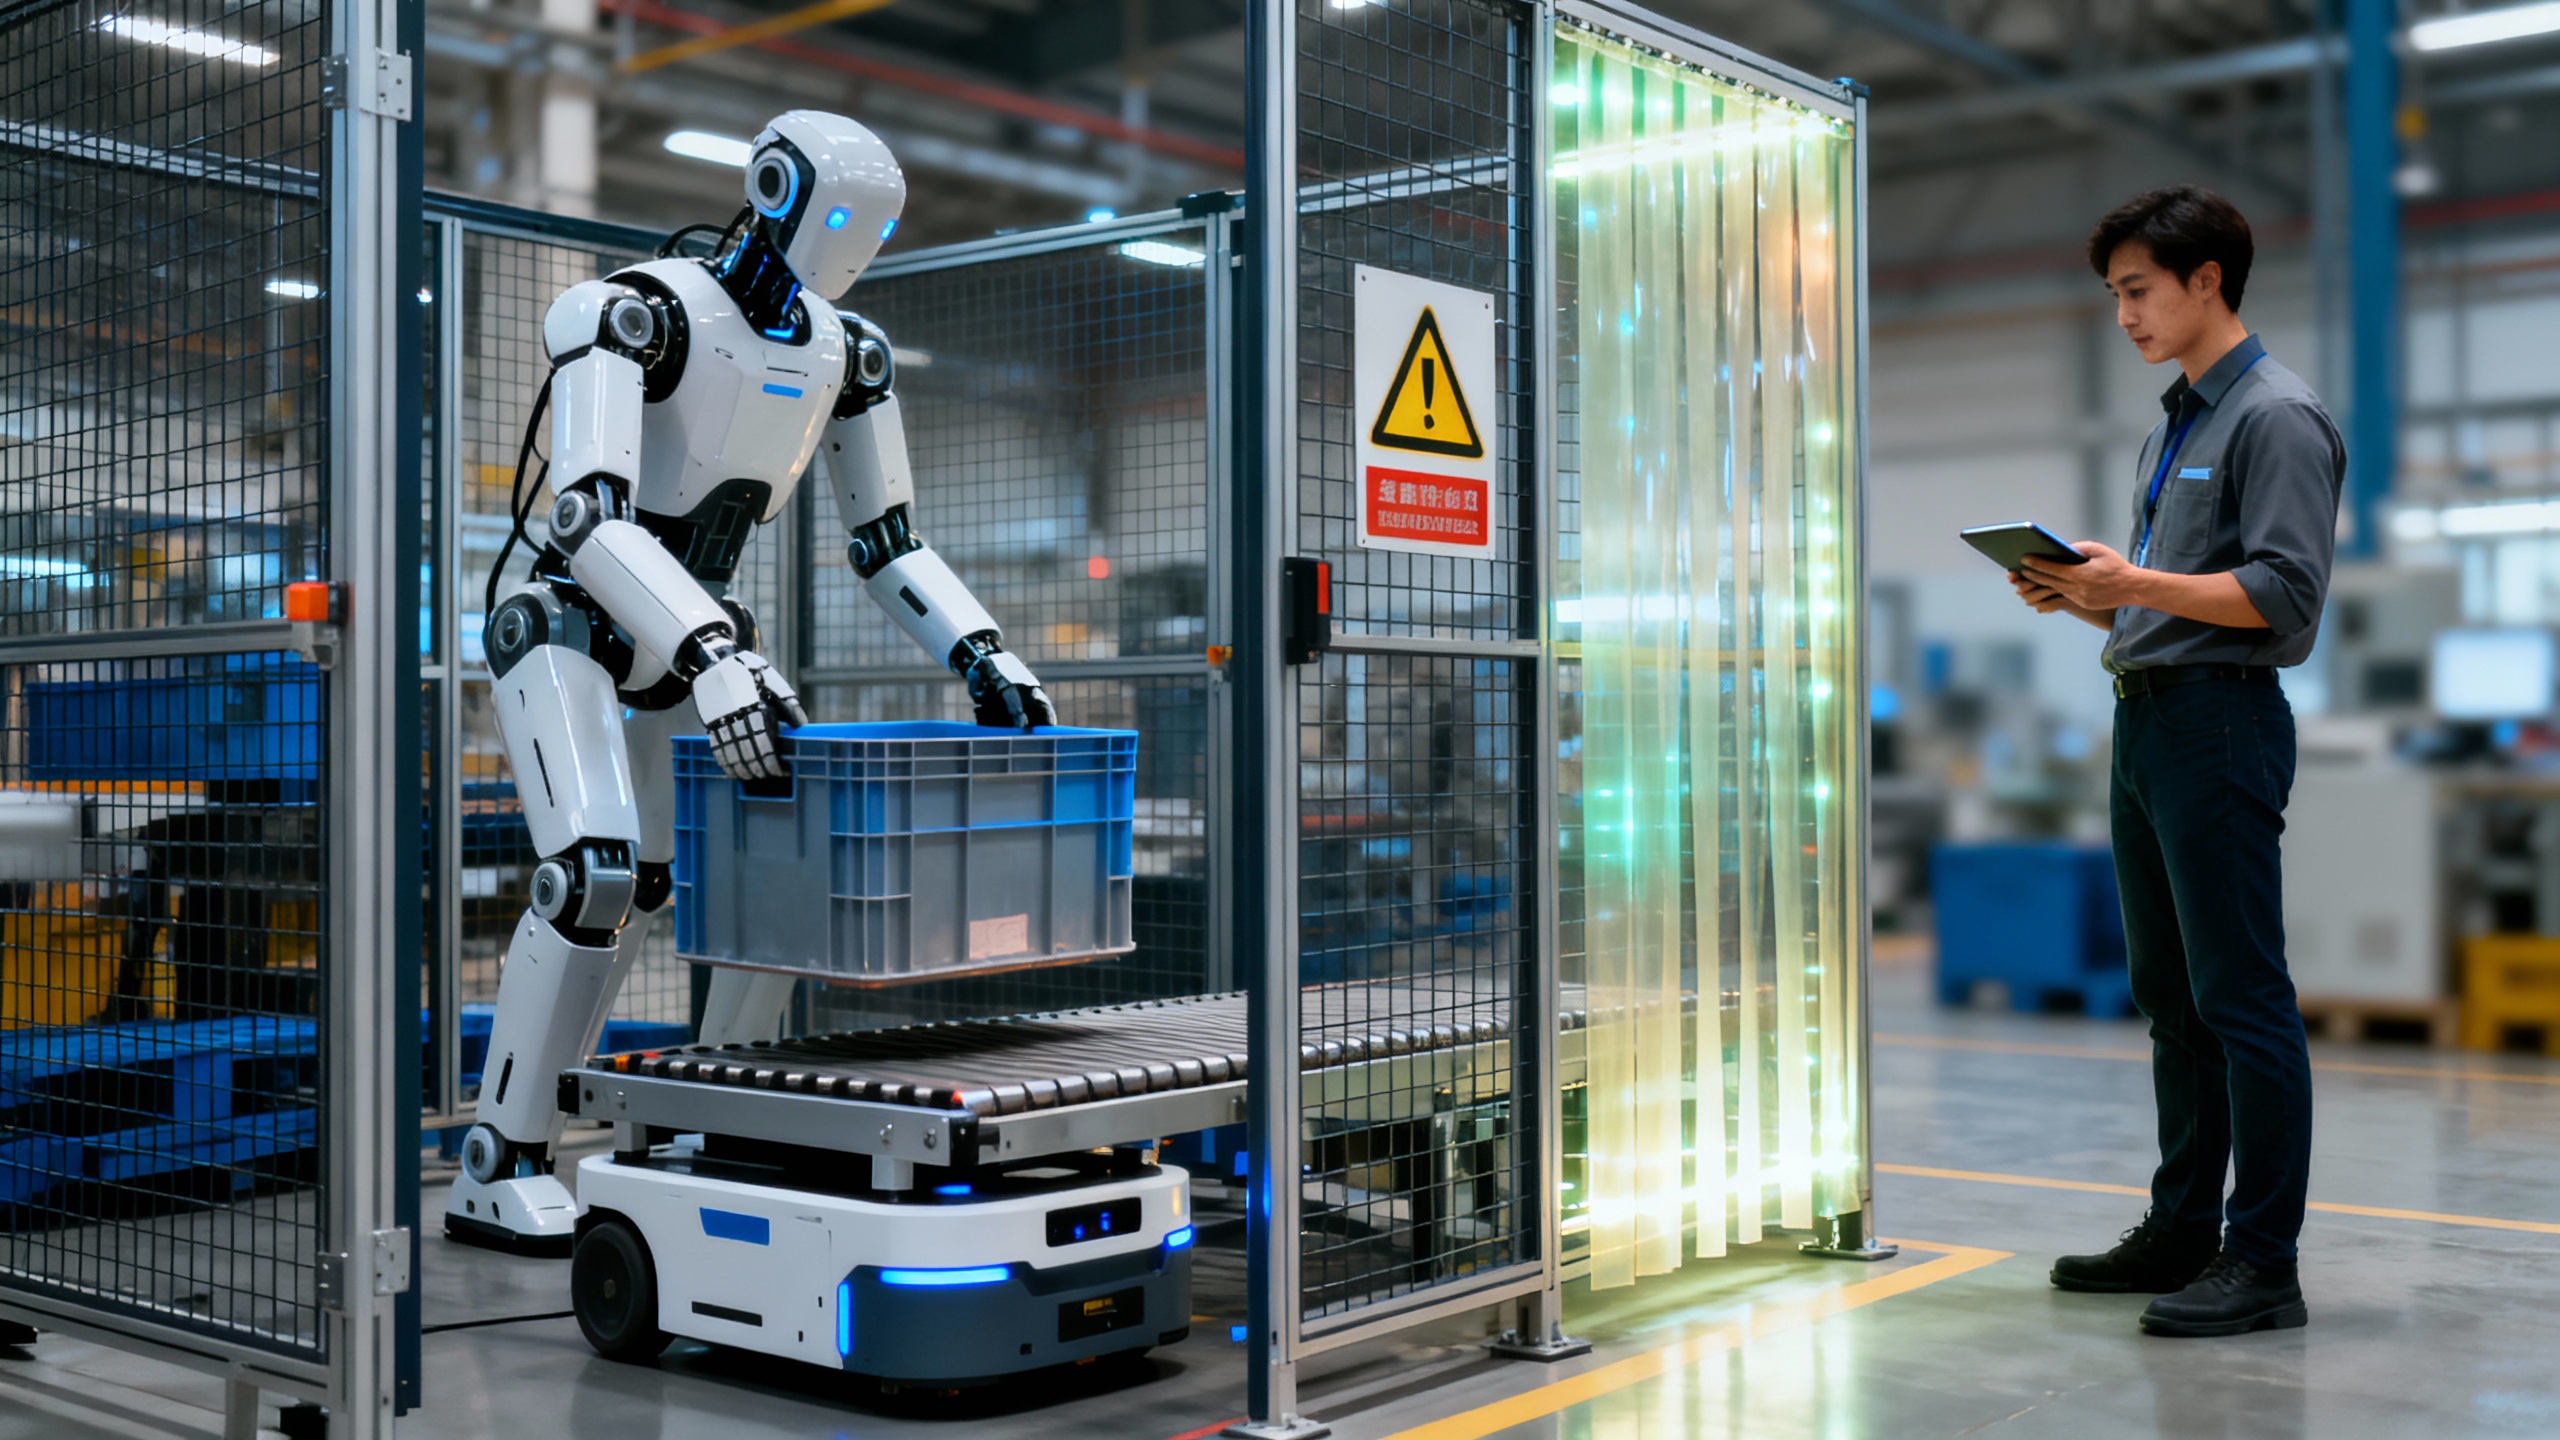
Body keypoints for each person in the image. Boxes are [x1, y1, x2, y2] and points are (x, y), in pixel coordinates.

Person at [2009, 185, 2343, 1338]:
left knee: (2241, 998)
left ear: (2207, 281)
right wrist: (2088, 601)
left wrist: (2133, 585)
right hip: (2148, 719)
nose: (2124, 315)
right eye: (2113, 295)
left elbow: (2285, 599)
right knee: (2171, 1000)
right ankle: (2181, 1228)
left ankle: (2264, 1261)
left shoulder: (2275, 417)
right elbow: (2187, 604)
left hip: (2219, 726)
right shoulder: (2175, 425)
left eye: (2137, 291)